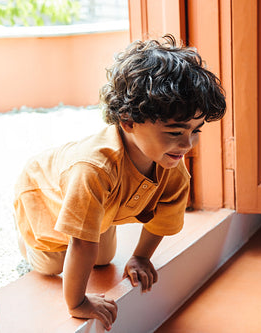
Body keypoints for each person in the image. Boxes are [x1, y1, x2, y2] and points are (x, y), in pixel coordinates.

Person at [13, 34, 226, 330]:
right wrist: (77, 303)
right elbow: (80, 243)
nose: (187, 144)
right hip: (44, 194)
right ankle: (26, 242)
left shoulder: (171, 164)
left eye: (196, 131)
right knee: (53, 264)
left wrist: (140, 257)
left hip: (103, 206)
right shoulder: (93, 170)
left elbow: (162, 221)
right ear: (128, 122)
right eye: (176, 132)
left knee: (104, 257)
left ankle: (96, 221)